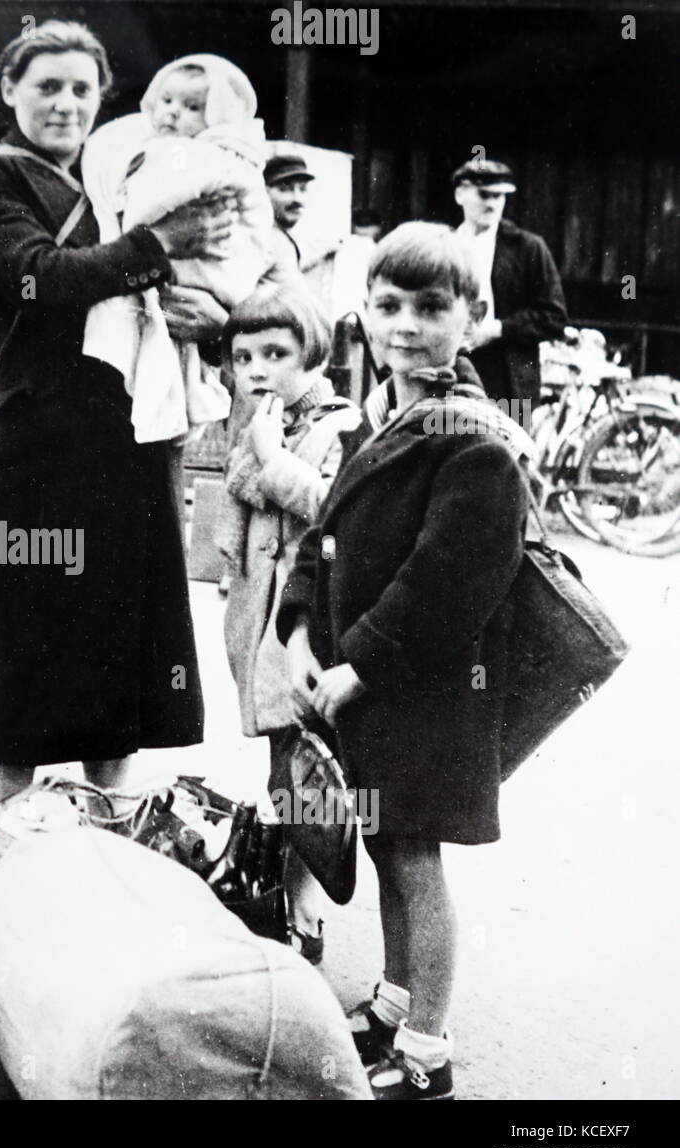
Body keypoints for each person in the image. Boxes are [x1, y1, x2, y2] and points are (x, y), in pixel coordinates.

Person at [0, 20, 234, 800]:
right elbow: (39, 277)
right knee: (28, 642)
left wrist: (211, 319)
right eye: (47, 86)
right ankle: (6, 830)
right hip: (42, 440)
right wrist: (158, 242)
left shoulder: (121, 172)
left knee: (123, 644)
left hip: (132, 439)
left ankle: (113, 822)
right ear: (9, 90)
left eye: (82, 88)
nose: (66, 104)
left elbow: (184, 289)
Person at [277, 223, 530, 1099]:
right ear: (362, 313)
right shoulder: (381, 411)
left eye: (432, 307)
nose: (407, 324)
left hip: (427, 689)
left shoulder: (475, 437)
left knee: (416, 857)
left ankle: (427, 1053)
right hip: (365, 679)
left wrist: (359, 667)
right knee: (387, 839)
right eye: (389, 305)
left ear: (473, 317)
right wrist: (302, 631)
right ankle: (393, 999)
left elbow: (448, 583)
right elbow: (324, 532)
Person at [214, 284, 361, 965]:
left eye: (276, 352)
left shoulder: (339, 423)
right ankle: (288, 891)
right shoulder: (255, 426)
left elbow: (332, 507)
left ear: (315, 354)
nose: (259, 369)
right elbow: (231, 505)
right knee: (283, 758)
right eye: (245, 356)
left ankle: (305, 903)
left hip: (305, 623)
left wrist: (273, 458)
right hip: (257, 618)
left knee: (304, 763)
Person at [80, 53, 273, 441]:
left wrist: (138, 219)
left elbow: (151, 204)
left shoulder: (206, 156)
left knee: (168, 368)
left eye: (192, 107)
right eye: (166, 101)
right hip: (162, 298)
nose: (172, 113)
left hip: (202, 284)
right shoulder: (144, 144)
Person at [452, 158, 567, 410]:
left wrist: (495, 329)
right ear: (460, 194)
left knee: (507, 447)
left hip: (507, 375)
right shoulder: (443, 246)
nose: (492, 204)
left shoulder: (527, 248)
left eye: (500, 197)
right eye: (485, 195)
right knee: (450, 442)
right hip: (452, 370)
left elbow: (553, 317)